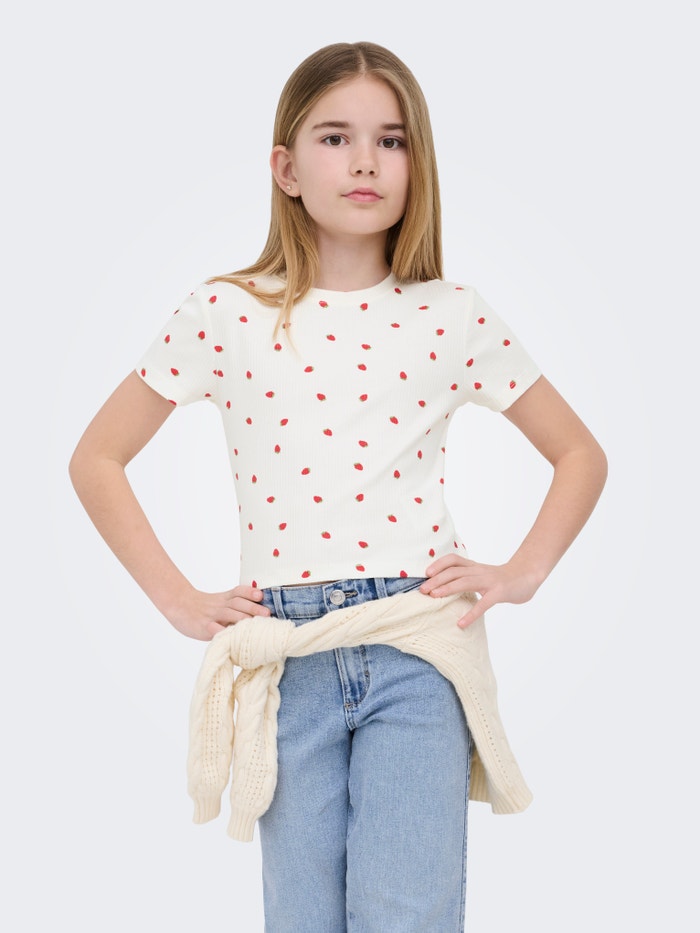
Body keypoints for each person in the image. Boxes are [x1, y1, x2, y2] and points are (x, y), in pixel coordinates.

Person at [69, 41, 607, 932]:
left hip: (417, 649)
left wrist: (522, 571)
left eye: (391, 140)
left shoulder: (454, 317)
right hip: (288, 659)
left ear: (416, 164)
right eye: (335, 137)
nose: (364, 161)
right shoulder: (225, 312)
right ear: (286, 168)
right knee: (303, 917)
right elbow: (97, 457)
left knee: (405, 912)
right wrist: (176, 597)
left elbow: (579, 453)